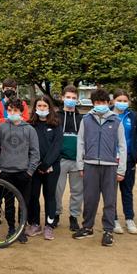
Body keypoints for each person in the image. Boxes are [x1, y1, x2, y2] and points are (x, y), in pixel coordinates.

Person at [73, 89, 127, 247]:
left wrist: (121, 169)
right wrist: (80, 164)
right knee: (90, 199)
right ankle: (87, 227)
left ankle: (108, 230)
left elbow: (123, 146)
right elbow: (80, 142)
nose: (100, 105)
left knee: (110, 200)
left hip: (110, 166)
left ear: (108, 103)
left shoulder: (116, 121)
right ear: (93, 103)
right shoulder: (86, 120)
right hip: (90, 165)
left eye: (103, 102)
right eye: (97, 103)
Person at [0, 98, 40, 244]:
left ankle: (21, 228)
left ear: (21, 112)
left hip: (24, 173)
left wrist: (30, 171)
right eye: (10, 110)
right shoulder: (1, 128)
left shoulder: (29, 129)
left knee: (23, 203)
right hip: (6, 172)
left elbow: (35, 152)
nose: (12, 113)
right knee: (8, 203)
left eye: (15, 110)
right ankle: (11, 228)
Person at [27, 96, 63, 240]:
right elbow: (28, 146)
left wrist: (46, 164)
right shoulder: (30, 125)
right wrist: (36, 165)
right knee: (33, 196)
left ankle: (50, 225)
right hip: (34, 167)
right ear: (35, 107)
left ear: (49, 108)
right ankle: (34, 224)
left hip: (51, 168)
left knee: (50, 196)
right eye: (39, 106)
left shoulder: (56, 124)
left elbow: (57, 146)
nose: (42, 108)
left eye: (44, 106)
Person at [55, 85, 84, 230]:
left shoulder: (82, 118)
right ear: (62, 98)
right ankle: (56, 214)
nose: (70, 100)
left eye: (73, 98)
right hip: (60, 160)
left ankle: (74, 217)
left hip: (77, 161)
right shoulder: (55, 117)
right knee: (57, 190)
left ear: (77, 100)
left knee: (77, 191)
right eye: (68, 97)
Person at [111, 89, 137, 235]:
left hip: (128, 159)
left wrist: (135, 155)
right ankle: (114, 219)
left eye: (124, 101)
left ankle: (129, 219)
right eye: (119, 100)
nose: (122, 103)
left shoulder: (133, 116)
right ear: (113, 100)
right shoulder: (107, 115)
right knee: (111, 191)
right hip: (110, 160)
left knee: (127, 190)